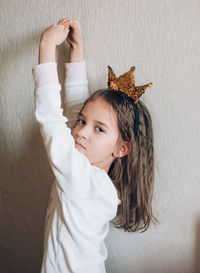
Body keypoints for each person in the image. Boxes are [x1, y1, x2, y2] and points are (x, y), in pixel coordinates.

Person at [32, 18, 155, 273]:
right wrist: (77, 48)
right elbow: (79, 107)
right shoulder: (95, 179)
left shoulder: (82, 180)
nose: (81, 133)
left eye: (99, 129)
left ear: (122, 149)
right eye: (81, 123)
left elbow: (51, 122)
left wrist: (46, 47)